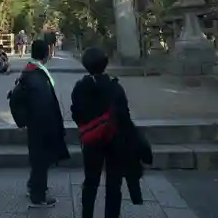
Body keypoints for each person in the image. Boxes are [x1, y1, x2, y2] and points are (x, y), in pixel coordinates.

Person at [70, 47, 152, 218]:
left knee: (90, 182)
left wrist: (88, 126)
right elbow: (125, 116)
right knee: (114, 184)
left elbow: (76, 113)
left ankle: (87, 214)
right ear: (105, 64)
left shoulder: (80, 88)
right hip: (115, 140)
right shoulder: (115, 87)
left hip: (91, 141)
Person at [8, 40, 69, 208]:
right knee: (41, 159)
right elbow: (43, 104)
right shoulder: (36, 76)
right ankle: (38, 196)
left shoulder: (32, 70)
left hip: (37, 124)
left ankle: (34, 186)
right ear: (46, 54)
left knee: (38, 159)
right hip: (42, 125)